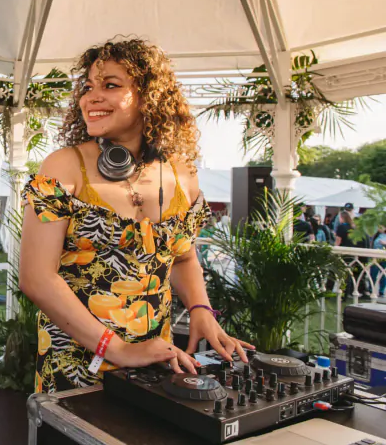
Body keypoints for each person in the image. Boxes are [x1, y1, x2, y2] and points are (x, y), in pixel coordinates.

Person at [19, 39, 253, 394]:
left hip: (155, 360)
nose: (91, 98)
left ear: (149, 96)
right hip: (79, 362)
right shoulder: (65, 166)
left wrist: (200, 309)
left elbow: (183, 257)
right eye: (88, 88)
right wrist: (118, 349)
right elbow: (36, 278)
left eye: (110, 85)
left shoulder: (182, 174)